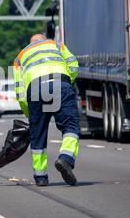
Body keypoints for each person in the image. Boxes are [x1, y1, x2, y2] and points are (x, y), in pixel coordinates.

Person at [13, 34, 80, 187]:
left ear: (30, 43)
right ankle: (66, 159)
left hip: (35, 89)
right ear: (44, 39)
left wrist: (30, 115)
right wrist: (68, 82)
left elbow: (20, 92)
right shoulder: (57, 45)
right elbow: (74, 66)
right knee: (70, 126)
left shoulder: (20, 57)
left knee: (38, 133)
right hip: (59, 83)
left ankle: (41, 177)